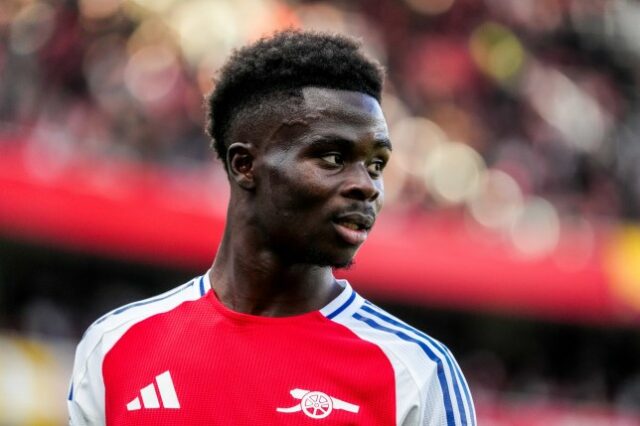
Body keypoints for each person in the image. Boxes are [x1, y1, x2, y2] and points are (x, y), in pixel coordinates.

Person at [67, 30, 475, 426]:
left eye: (376, 165)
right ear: (245, 165)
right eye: (333, 157)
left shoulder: (416, 373)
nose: (366, 186)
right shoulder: (116, 345)